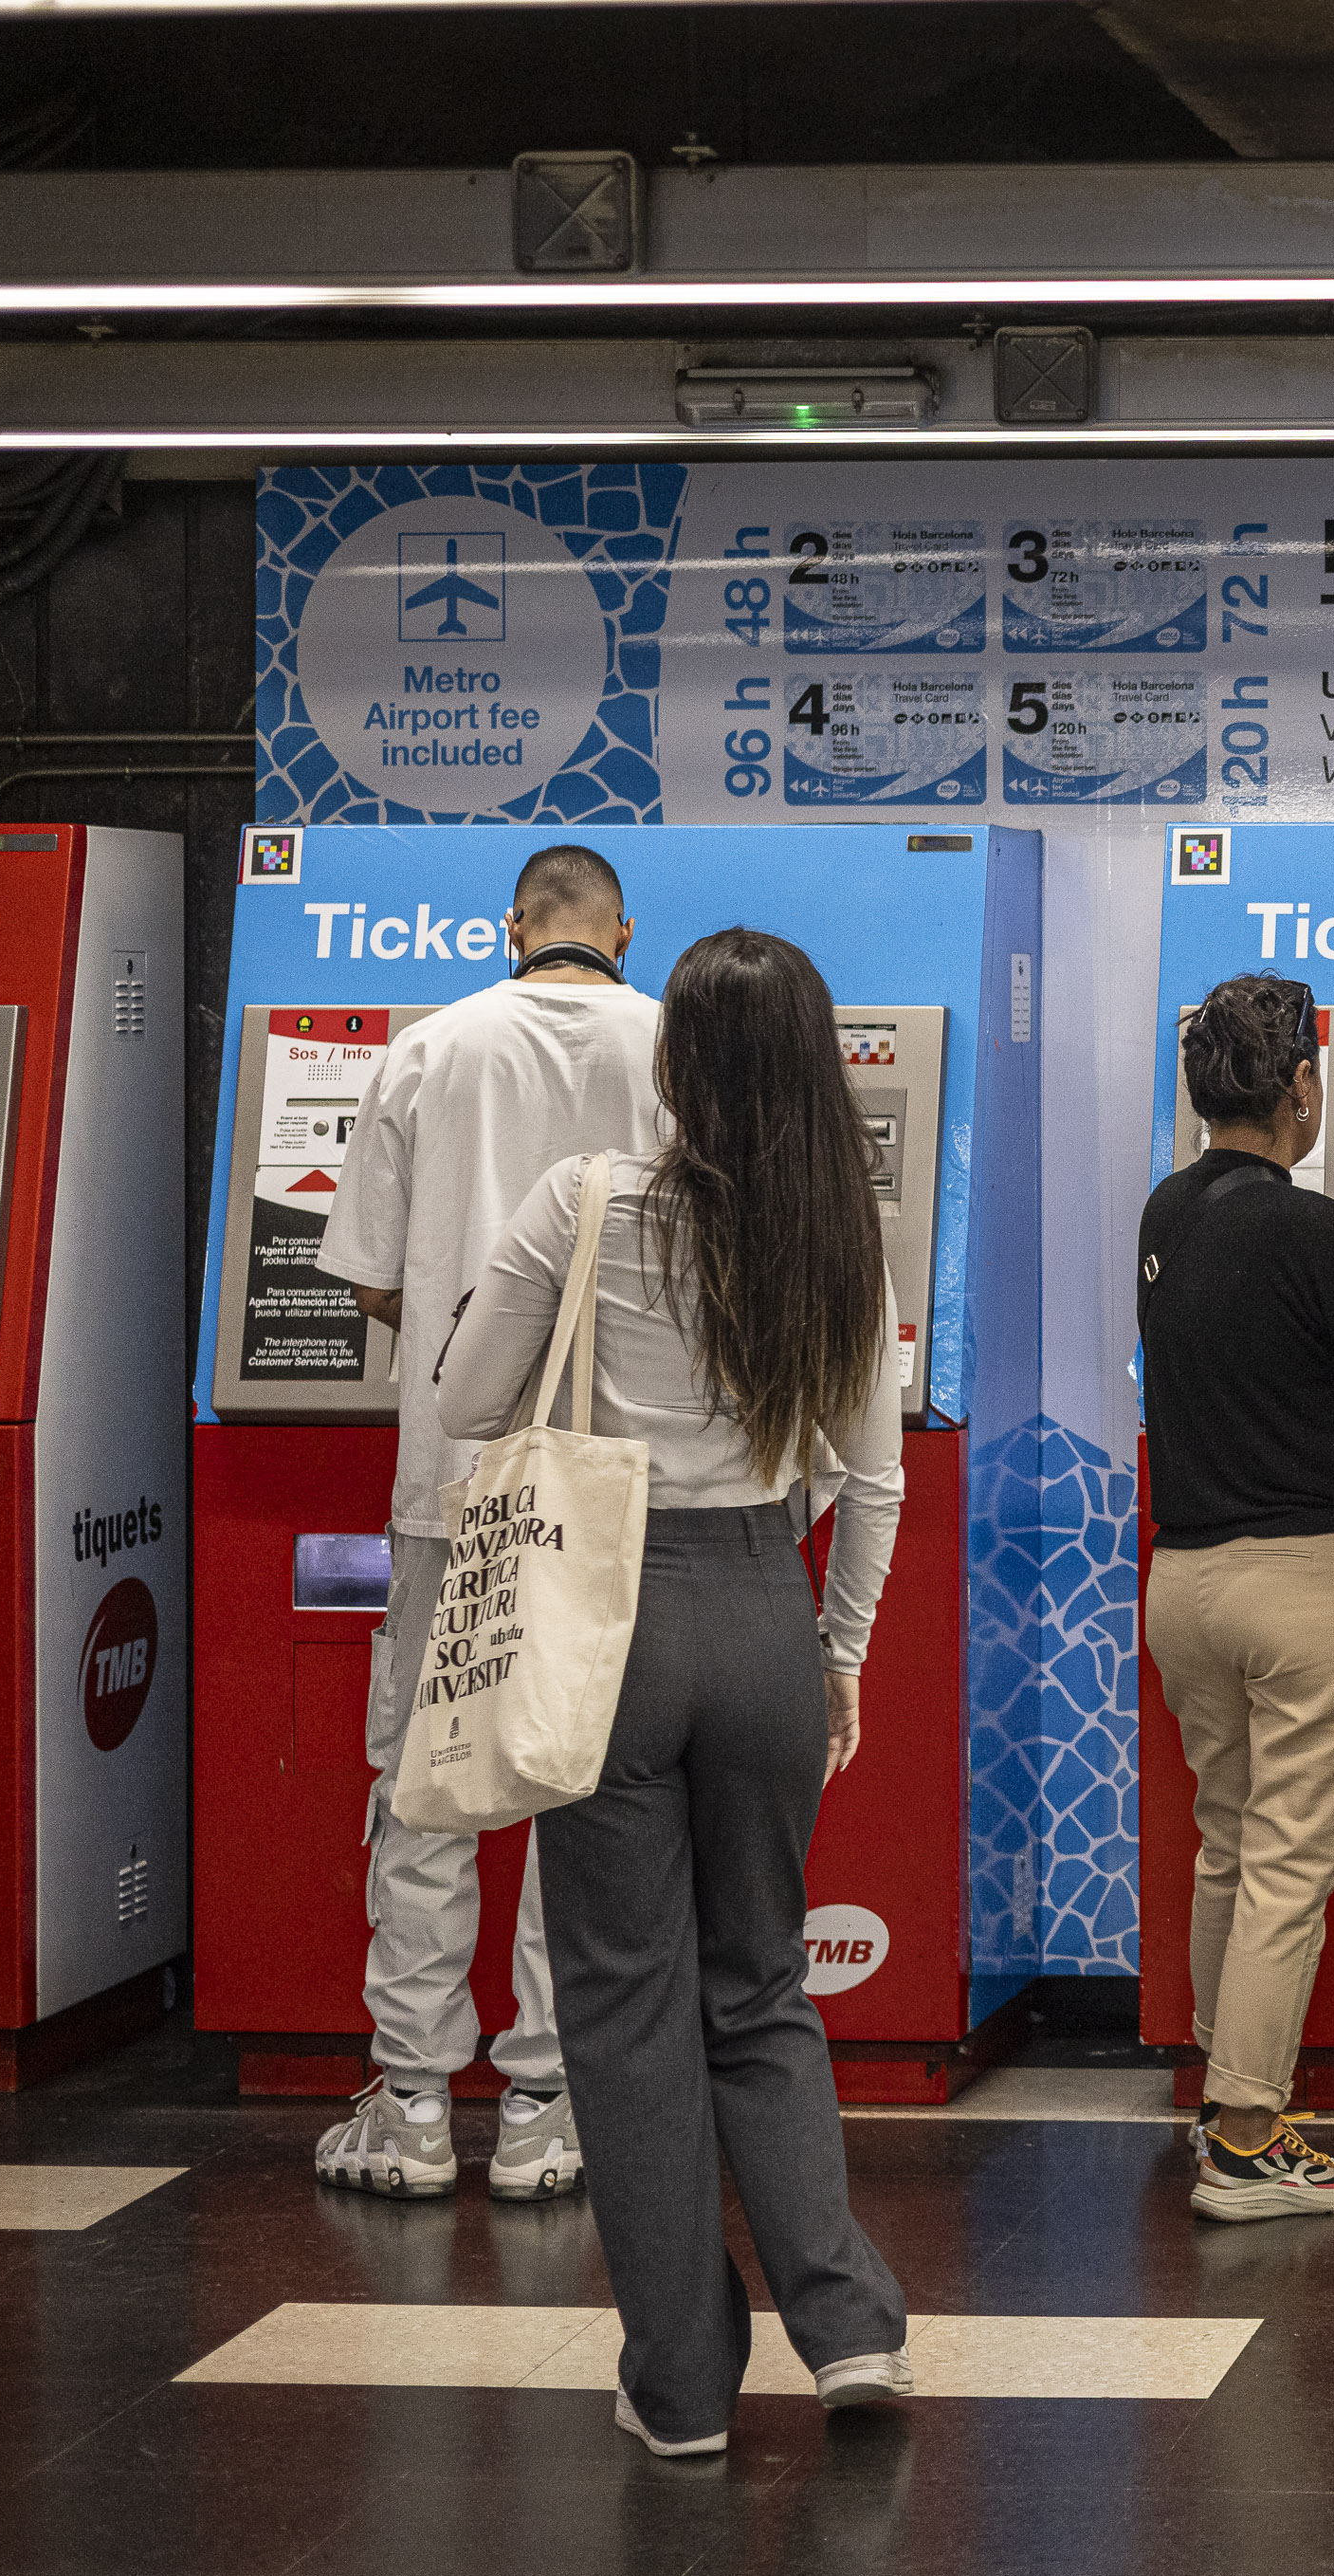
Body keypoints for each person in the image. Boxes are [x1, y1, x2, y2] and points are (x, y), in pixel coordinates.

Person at [434, 926, 912, 2455]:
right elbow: (876, 1480)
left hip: (606, 1619)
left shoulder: (586, 1203)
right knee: (762, 1985)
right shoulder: (849, 1238)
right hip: (765, 1612)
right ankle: (845, 2332)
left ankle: (687, 2386)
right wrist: (836, 1654)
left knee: (628, 2006)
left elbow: (461, 1398)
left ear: (676, 1059)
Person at [306, 843, 660, 2204]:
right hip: (607, 1490)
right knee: (577, 1784)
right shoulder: (671, 1044)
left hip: (450, 1480)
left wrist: (475, 1353)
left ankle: (407, 2100)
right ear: (623, 930)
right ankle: (542, 2107)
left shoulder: (426, 1047)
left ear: (512, 928)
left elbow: (373, 1280)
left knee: (428, 1779)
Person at [1139, 972, 1334, 2220]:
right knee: (1289, 1865)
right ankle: (1251, 2139)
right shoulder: (1318, 1231)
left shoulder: (1167, 1208)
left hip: (1187, 1578)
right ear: (1302, 1089)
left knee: (1230, 1840)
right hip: (1309, 1578)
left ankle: (1221, 2090)